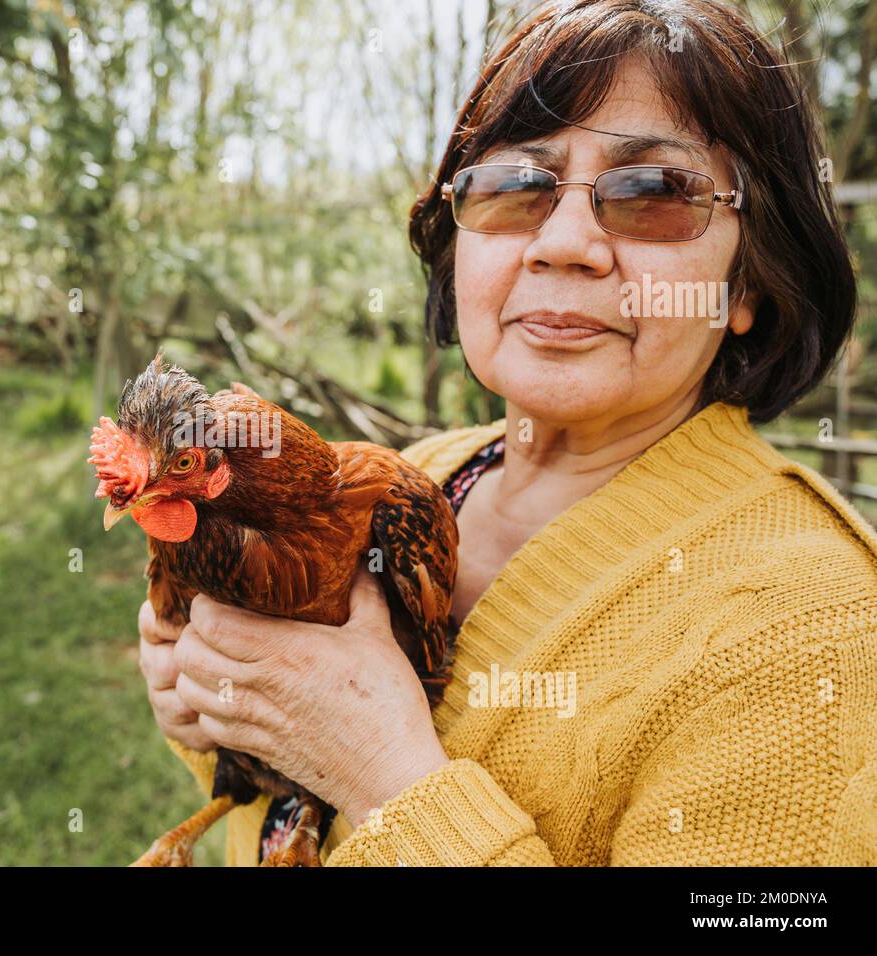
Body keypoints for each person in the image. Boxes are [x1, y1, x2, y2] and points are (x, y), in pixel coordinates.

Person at [138, 0, 877, 865]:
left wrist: (383, 773)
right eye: (516, 186)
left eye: (653, 192)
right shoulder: (412, 478)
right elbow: (290, 809)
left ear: (750, 285)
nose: (566, 243)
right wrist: (226, 719)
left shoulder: (819, 636)